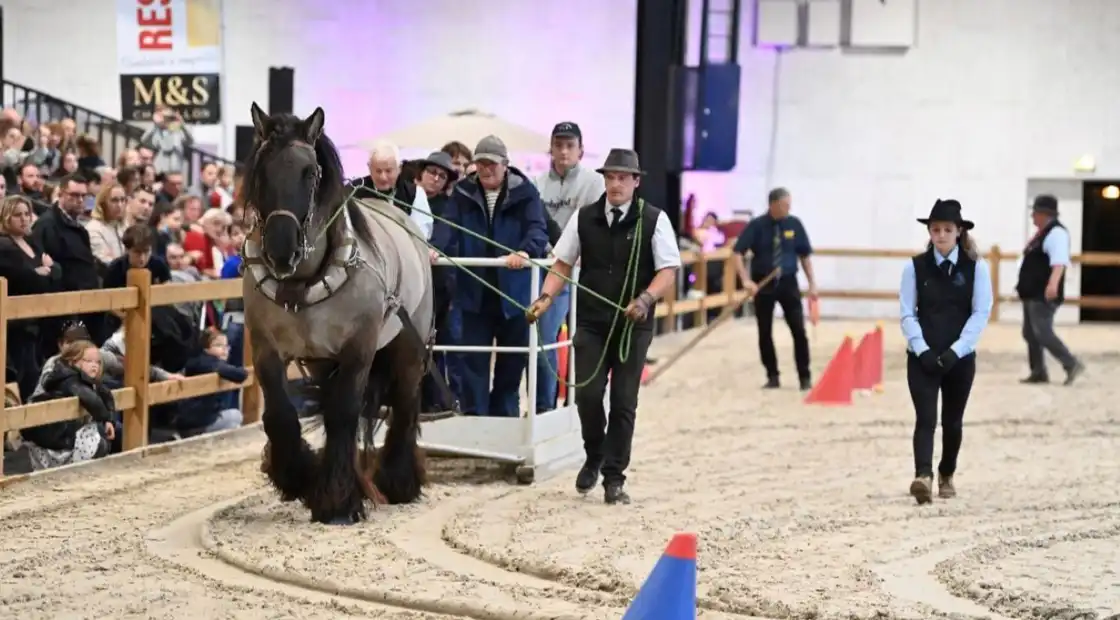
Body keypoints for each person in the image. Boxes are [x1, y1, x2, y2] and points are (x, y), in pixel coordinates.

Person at [526, 149, 681, 505]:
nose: (615, 184)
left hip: (632, 326)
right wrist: (546, 298)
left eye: (622, 178)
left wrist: (644, 300)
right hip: (593, 322)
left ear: (636, 182)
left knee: (625, 401)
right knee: (588, 394)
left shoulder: (654, 220)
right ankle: (594, 453)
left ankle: (614, 476)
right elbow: (562, 263)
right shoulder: (584, 218)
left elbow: (668, 270)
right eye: (610, 178)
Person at [443, 135, 548, 417]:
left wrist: (525, 253)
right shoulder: (462, 192)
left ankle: (505, 418)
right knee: (472, 363)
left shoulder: (526, 192)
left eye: (492, 164)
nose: (486, 169)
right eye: (481, 164)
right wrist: (435, 250)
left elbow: (538, 230)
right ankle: (476, 421)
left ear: (506, 165)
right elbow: (446, 229)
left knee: (511, 365)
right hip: (473, 294)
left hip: (513, 296)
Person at [899, 199, 992, 504]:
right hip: (923, 356)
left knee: (952, 421)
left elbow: (980, 313)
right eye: (935, 229)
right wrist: (921, 348)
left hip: (959, 358)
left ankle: (946, 472)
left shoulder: (976, 267)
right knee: (925, 418)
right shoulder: (914, 267)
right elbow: (907, 313)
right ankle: (922, 475)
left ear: (958, 232)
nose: (940, 235)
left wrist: (958, 350)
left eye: (946, 230)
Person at [532, 122, 606, 413]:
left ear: (581, 150)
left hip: (579, 270)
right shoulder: (536, 183)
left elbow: (590, 224)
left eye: (569, 145)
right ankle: (545, 405)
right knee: (544, 337)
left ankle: (572, 403)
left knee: (579, 340)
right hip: (547, 267)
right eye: (558, 144)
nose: (563, 151)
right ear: (550, 148)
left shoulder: (593, 182)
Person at [731, 187, 818, 390]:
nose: (789, 208)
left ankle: (804, 377)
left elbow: (804, 255)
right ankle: (772, 376)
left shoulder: (794, 224)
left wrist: (812, 282)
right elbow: (737, 253)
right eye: (785, 204)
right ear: (773, 204)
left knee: (798, 330)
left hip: (788, 282)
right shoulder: (757, 226)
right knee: (765, 331)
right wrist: (746, 280)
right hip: (763, 284)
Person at [1016, 194, 1084, 385]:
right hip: (1032, 292)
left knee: (1042, 332)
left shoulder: (1056, 234)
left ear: (1045, 214)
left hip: (1042, 293)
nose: (1032, 217)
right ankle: (1038, 371)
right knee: (1030, 333)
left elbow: (1059, 262)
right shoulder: (1042, 233)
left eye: (1035, 213)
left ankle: (1071, 363)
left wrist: (1053, 284)